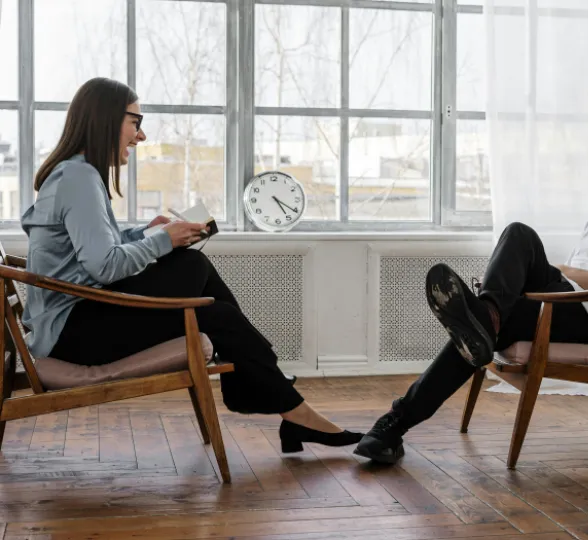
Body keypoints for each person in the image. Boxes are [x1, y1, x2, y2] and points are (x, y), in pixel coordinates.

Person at [21, 77, 363, 453]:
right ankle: (278, 391)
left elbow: (88, 250)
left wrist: (144, 234)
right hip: (73, 335)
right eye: (136, 121)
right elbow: (103, 266)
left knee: (205, 294)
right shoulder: (78, 177)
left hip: (76, 319)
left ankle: (285, 404)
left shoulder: (74, 174)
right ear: (107, 119)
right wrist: (163, 240)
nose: (141, 135)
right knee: (193, 272)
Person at [354, 127, 588, 464]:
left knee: (481, 329)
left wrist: (566, 272)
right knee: (518, 233)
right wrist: (559, 277)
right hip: (565, 299)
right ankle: (487, 315)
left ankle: (397, 421)